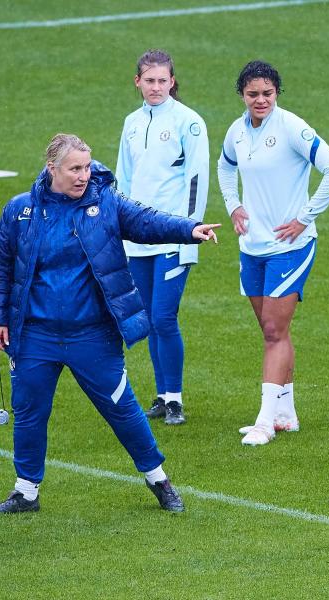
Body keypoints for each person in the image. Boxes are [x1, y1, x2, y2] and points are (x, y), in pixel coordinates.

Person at [0, 134, 220, 514]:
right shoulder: (20, 211)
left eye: (87, 167)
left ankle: (159, 480)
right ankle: (25, 492)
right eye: (75, 168)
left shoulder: (104, 202)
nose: (83, 175)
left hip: (91, 334)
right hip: (35, 335)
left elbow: (146, 221)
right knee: (28, 412)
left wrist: (187, 229)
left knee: (122, 409)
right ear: (52, 169)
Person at [217, 60, 329, 446]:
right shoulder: (236, 132)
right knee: (272, 330)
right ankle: (286, 414)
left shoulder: (291, 127)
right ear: (242, 94)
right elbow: (225, 167)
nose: (261, 100)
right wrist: (233, 205)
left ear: (277, 93)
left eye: (268, 94)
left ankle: (264, 420)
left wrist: (305, 217)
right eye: (253, 94)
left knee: (274, 331)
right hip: (252, 245)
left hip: (290, 246)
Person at [116, 49, 210, 426]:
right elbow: (122, 180)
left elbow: (197, 179)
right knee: (149, 320)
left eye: (162, 80)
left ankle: (175, 399)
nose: (156, 87)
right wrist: (119, 230)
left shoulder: (190, 123)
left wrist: (189, 230)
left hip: (174, 237)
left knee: (164, 316)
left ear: (173, 82)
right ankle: (160, 394)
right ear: (137, 81)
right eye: (149, 80)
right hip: (137, 239)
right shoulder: (131, 123)